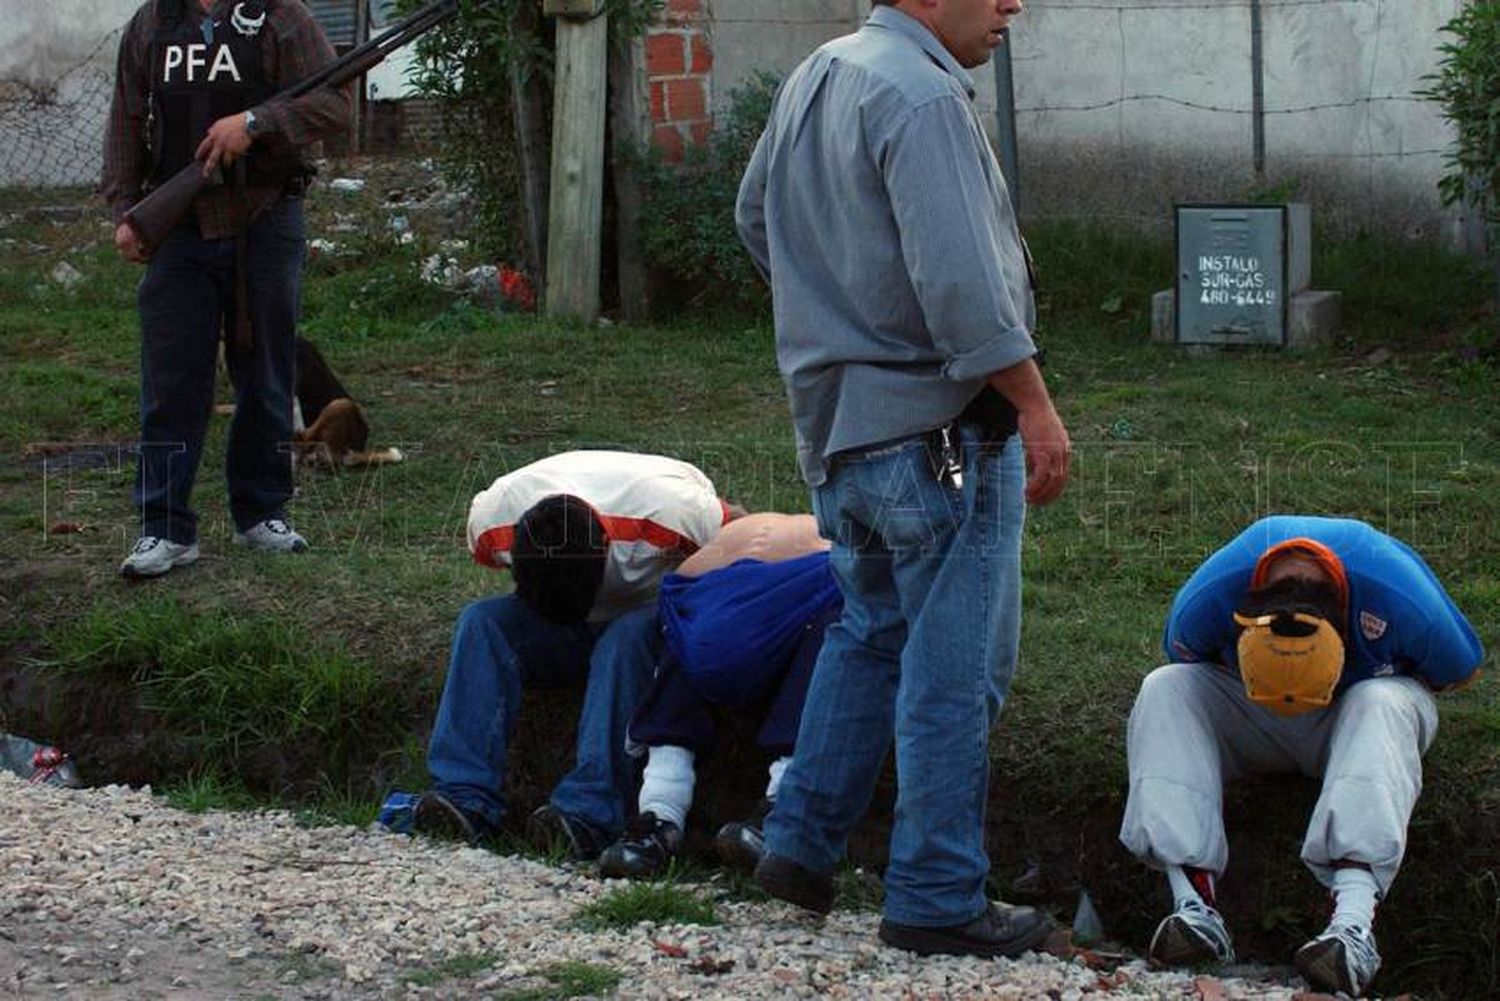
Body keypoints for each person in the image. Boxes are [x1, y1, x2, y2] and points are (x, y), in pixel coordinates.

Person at [735, 0, 1071, 960]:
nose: (1014, 4)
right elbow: (965, 288)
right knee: (953, 668)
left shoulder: (818, 73)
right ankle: (934, 891)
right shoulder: (921, 95)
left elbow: (753, 216)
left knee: (871, 634)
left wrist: (837, 313)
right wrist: (1037, 407)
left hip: (841, 433)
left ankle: (799, 847)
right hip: (939, 432)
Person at [1120, 515, 1484, 997]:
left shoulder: (1401, 596)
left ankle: (1352, 928)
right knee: (1165, 687)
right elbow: (1183, 656)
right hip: (1252, 710)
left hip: (1354, 715)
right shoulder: (1209, 598)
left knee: (1382, 702)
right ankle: (1193, 905)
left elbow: (1459, 670)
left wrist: (1366, 681)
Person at [103, 0, 349, 577]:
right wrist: (125, 209)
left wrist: (256, 123)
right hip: (178, 226)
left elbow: (337, 105)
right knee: (170, 381)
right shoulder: (152, 22)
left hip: (265, 217)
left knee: (265, 373)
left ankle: (262, 512)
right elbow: (126, 118)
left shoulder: (282, 17)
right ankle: (164, 529)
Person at [415, 450, 738, 859]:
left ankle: (591, 810)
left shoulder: (676, 513)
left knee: (623, 637)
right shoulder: (492, 517)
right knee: (482, 622)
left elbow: (747, 536)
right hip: (557, 614)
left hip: (648, 615)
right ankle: (464, 797)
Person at [597, 513, 840, 879]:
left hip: (704, 586)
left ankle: (657, 820)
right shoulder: (832, 532)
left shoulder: (739, 531)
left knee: (683, 643)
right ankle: (779, 810)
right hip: (807, 578)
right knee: (836, 632)